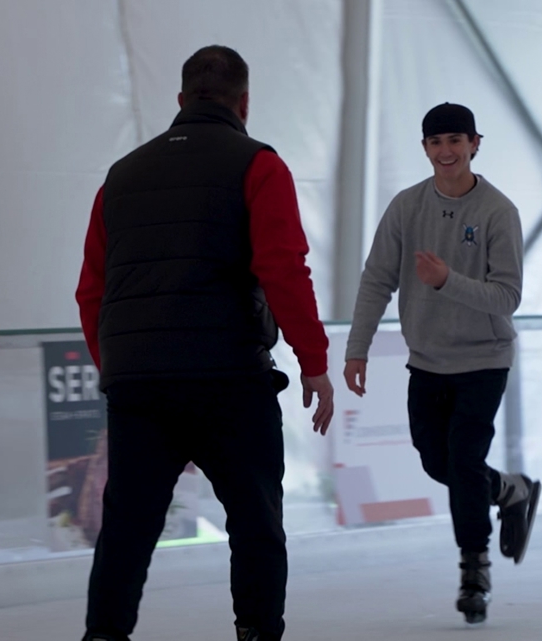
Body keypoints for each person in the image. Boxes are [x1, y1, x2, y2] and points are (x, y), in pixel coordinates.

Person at [75, 45, 334, 641]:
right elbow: (283, 268)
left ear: (180, 100)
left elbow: (92, 290)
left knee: (127, 531)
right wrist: (314, 363)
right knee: (256, 525)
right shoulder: (259, 165)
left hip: (140, 386)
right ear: (244, 103)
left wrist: (119, 368)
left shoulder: (121, 176)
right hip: (230, 381)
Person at [343, 102, 540, 624]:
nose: (446, 151)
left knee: (462, 457)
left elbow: (507, 296)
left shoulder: (499, 212)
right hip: (427, 361)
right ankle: (510, 489)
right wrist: (357, 348)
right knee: (439, 461)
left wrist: (446, 280)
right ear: (426, 149)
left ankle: (474, 572)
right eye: (436, 142)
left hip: (484, 359)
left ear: (476, 144)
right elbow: (376, 280)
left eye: (456, 140)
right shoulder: (407, 207)